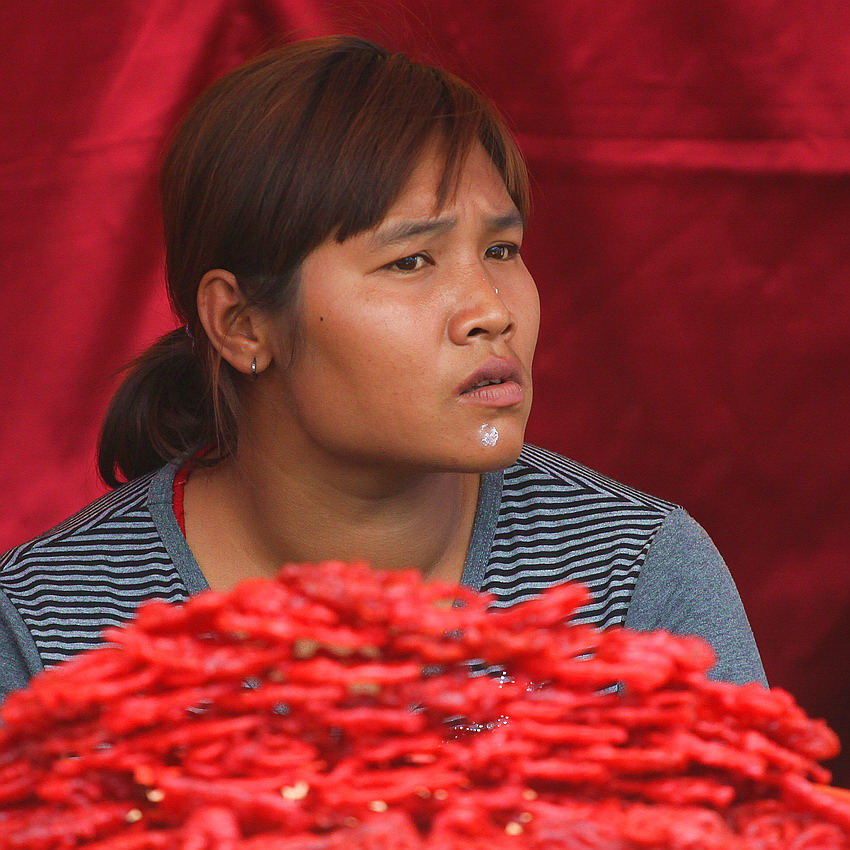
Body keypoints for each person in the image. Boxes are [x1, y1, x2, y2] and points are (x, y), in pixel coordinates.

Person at [0, 36, 766, 701]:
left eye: (501, 250)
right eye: (411, 261)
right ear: (241, 324)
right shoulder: (49, 624)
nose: (489, 309)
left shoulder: (631, 573)